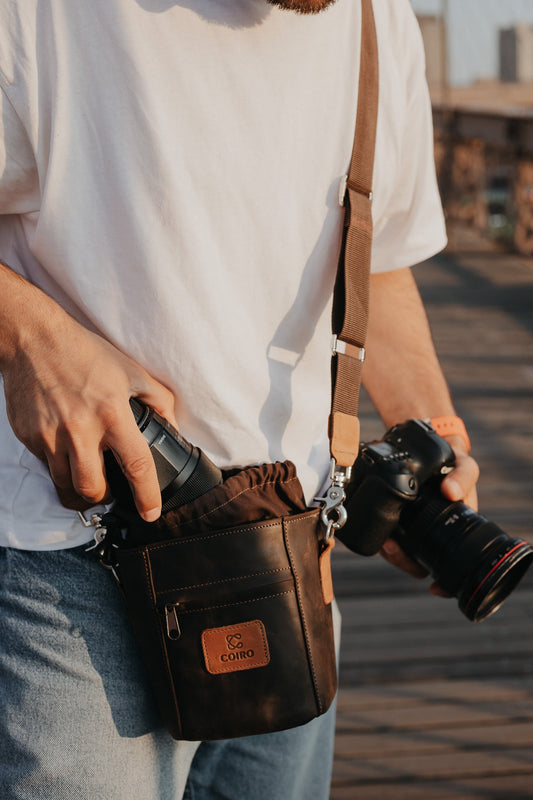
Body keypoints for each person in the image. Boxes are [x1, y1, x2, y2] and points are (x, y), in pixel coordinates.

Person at [0, 0, 479, 798]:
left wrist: (428, 429)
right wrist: (29, 340)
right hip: (78, 573)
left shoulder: (370, 15)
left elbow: (377, 263)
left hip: (291, 562)